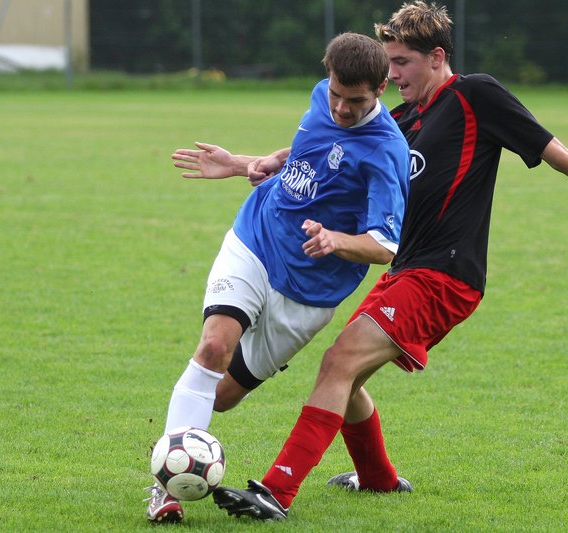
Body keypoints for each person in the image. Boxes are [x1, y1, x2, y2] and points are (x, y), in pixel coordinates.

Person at [211, 1, 568, 521]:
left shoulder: (475, 96)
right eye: (389, 62)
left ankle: (277, 492)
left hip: (446, 275)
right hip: (404, 270)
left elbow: (556, 151)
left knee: (340, 363)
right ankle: (379, 479)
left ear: (436, 57)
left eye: (401, 62)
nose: (392, 74)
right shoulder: (398, 119)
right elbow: (321, 151)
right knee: (347, 375)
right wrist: (248, 164)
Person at [144, 32, 410, 523]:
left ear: (380, 90)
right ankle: (165, 490)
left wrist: (335, 239)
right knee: (213, 347)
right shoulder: (322, 97)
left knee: (221, 397)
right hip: (256, 240)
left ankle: (179, 456)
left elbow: (385, 245)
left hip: (309, 293)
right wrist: (250, 163)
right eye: (336, 94)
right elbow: (314, 146)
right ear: (328, 77)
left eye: (355, 101)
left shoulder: (386, 152)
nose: (341, 108)